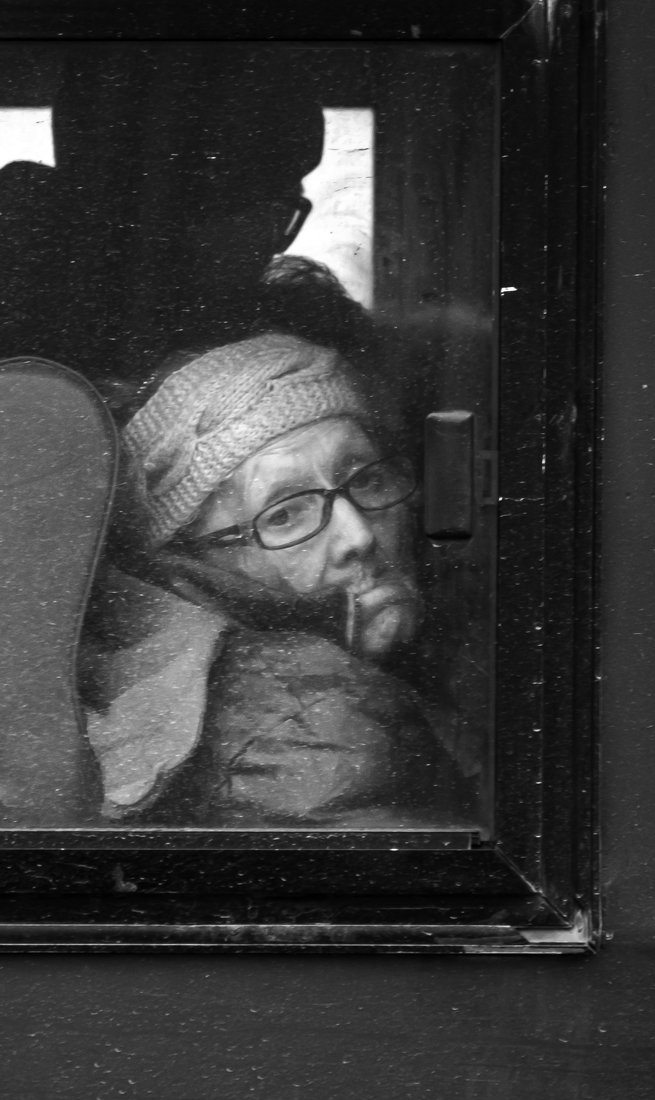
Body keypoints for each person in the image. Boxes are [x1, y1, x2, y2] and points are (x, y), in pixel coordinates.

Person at [83, 258, 473, 828]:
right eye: (286, 514)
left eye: (367, 480)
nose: (359, 536)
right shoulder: (313, 724)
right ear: (191, 565)